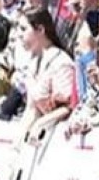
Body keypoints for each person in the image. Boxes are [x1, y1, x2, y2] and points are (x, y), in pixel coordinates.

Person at [16, 8, 77, 145]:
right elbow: (32, 109)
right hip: (43, 140)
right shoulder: (32, 62)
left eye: (23, 29)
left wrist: (41, 123)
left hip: (66, 139)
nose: (19, 35)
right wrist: (18, 144)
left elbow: (69, 107)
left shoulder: (61, 62)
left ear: (40, 30)